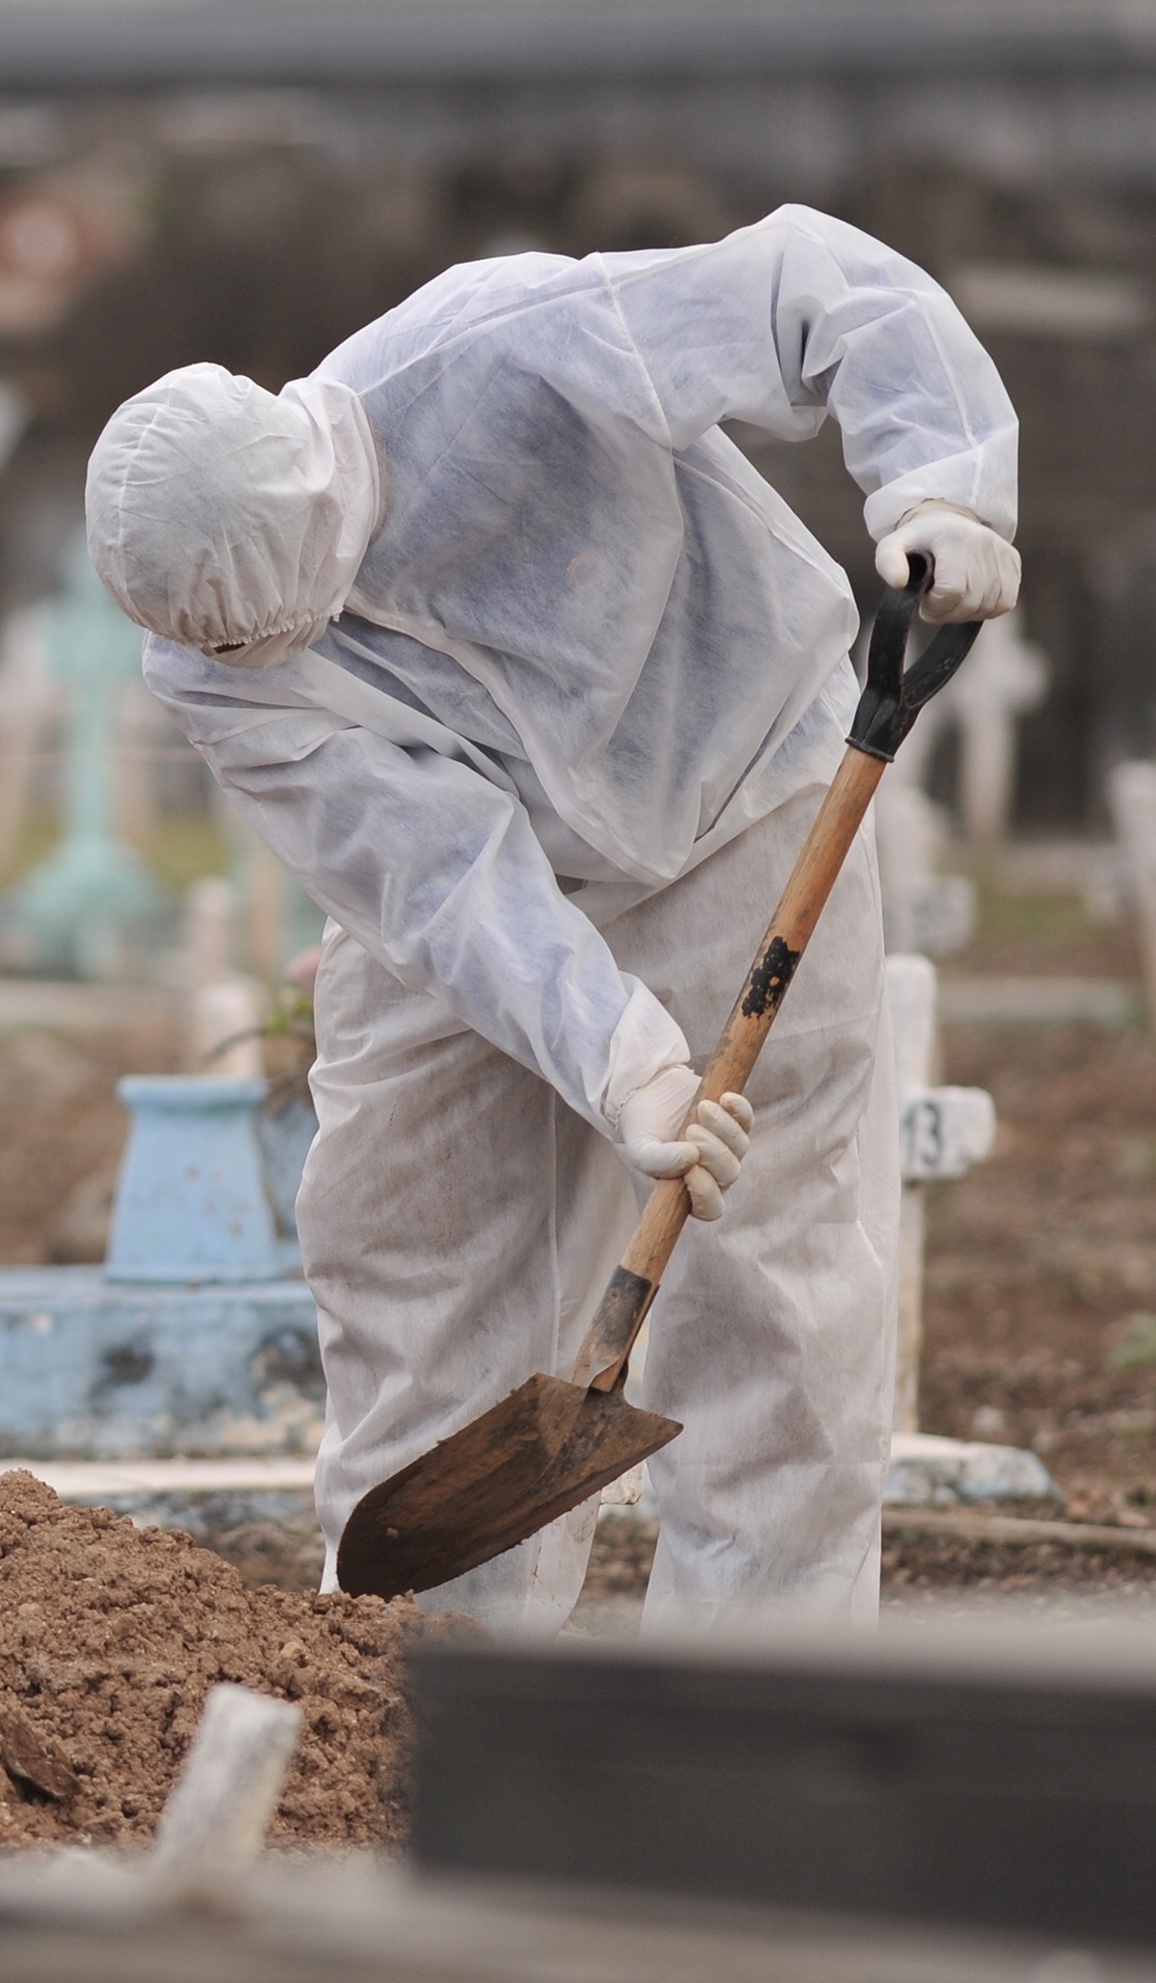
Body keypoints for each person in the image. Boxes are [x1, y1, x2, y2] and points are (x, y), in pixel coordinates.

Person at [84, 206, 1018, 1634]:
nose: (248, 658)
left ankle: (753, 1725)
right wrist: (626, 1065)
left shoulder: (505, 347)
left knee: (769, 1288)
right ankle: (416, 1711)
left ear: (310, 499)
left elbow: (811, 287)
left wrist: (938, 481)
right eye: (218, 644)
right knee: (404, 1249)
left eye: (266, 622)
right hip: (483, 893)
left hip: (742, 790)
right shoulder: (210, 661)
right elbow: (446, 883)